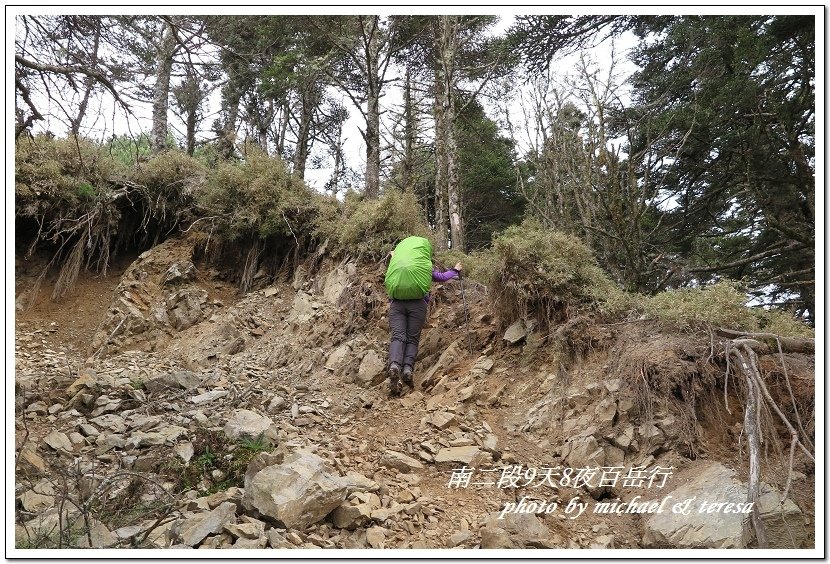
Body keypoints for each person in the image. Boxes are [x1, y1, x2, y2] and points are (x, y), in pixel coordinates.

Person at [384, 236, 462, 397]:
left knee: (398, 337)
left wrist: (394, 256)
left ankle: (394, 366)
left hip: (397, 304)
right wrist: (455, 270)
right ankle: (407, 369)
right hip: (418, 305)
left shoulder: (397, 260)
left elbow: (390, 278)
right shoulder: (424, 265)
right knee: (412, 338)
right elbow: (441, 277)